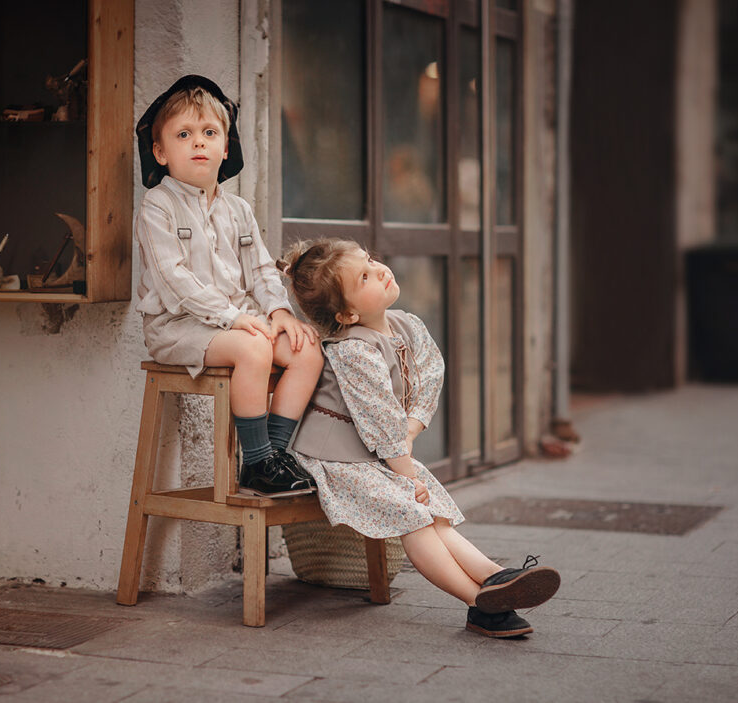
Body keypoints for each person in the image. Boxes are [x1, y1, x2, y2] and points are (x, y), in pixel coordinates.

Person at [277, 239, 561, 638]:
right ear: (347, 313)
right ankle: (478, 602)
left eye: (371, 261)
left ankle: (497, 577)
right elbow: (379, 420)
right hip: (335, 457)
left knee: (433, 513)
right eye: (363, 276)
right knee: (413, 513)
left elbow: (430, 374)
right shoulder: (352, 350)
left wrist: (413, 431)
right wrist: (407, 475)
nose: (378, 269)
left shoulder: (407, 325)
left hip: (378, 452)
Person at [134, 75, 323, 496]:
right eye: (184, 134)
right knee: (253, 347)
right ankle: (255, 462)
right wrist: (234, 318)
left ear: (225, 147)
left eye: (209, 133)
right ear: (160, 151)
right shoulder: (157, 205)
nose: (198, 143)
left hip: (237, 323)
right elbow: (173, 278)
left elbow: (259, 269)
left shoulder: (238, 209)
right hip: (178, 326)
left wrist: (278, 312)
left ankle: (272, 455)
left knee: (305, 349)